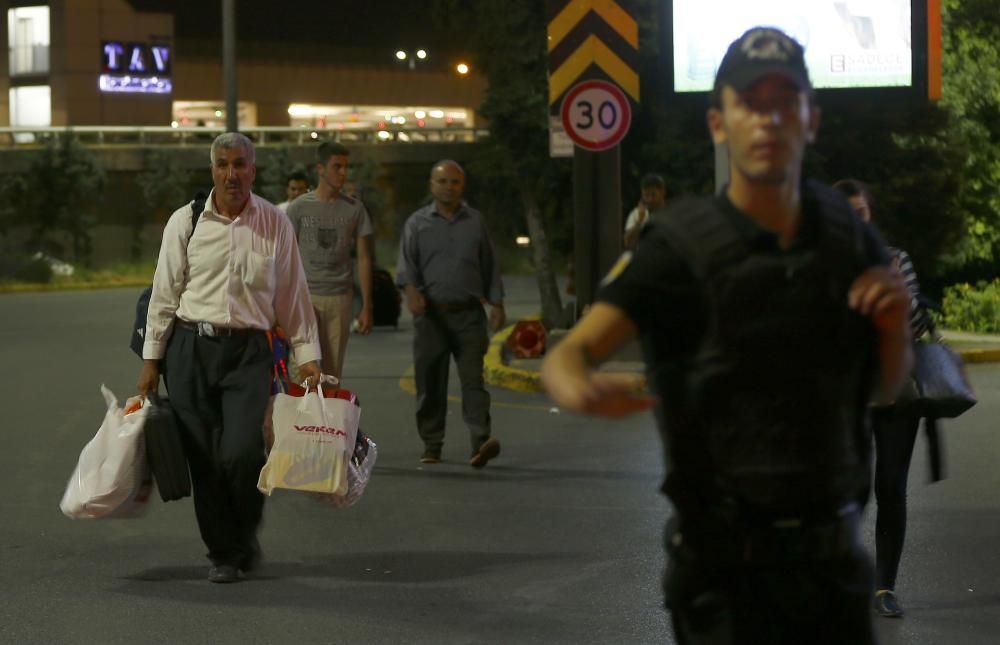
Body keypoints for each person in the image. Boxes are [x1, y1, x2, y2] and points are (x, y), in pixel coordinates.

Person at [541, 27, 913, 644]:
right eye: (750, 102)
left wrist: (894, 329)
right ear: (719, 122)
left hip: (832, 569)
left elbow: (884, 387)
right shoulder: (681, 246)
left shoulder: (847, 238)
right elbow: (572, 353)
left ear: (810, 118)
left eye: (784, 101)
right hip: (726, 579)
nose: (768, 119)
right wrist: (580, 387)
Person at [137, 132, 322, 584]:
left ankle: (241, 534)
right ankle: (223, 552)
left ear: (253, 171)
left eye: (240, 165)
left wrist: (307, 354)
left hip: (248, 353)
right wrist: (150, 362)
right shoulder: (187, 221)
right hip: (189, 350)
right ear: (212, 170)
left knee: (242, 453)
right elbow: (164, 294)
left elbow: (292, 295)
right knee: (203, 460)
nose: (231, 174)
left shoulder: (274, 223)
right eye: (223, 165)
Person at [835, 178, 932, 619]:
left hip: (896, 392)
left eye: (862, 212)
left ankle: (884, 588)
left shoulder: (897, 259)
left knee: (890, 487)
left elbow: (911, 318)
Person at [396, 160, 505, 467]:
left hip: (469, 315)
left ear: (463, 186)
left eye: (455, 182)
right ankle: (432, 444)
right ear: (432, 185)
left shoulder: (476, 222)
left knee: (473, 382)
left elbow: (491, 267)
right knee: (430, 383)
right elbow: (406, 267)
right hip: (432, 318)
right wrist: (411, 292)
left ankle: (480, 443)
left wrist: (496, 304)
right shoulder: (417, 223)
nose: (449, 187)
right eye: (443, 181)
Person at [286, 141, 374, 382]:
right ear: (321, 168)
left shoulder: (355, 209)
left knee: (332, 373)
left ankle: (327, 420)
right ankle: (300, 419)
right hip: (306, 297)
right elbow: (284, 257)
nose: (343, 173)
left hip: (339, 297)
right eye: (337, 167)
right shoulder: (299, 208)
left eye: (346, 167)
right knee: (302, 369)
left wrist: (366, 305)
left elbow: (364, 257)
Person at [623, 173, 667, 249]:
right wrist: (640, 221)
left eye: (653, 195)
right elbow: (628, 243)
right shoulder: (636, 214)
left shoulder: (671, 212)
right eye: (646, 195)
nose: (649, 199)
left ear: (662, 193)